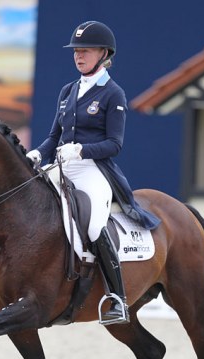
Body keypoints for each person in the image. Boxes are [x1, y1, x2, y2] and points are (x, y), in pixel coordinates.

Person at [27, 21, 160, 324]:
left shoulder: (113, 94)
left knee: (94, 226)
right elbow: (54, 136)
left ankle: (117, 298)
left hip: (92, 170)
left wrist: (82, 151)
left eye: (85, 51)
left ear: (103, 53)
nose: (79, 56)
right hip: (61, 165)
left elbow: (115, 144)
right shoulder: (68, 90)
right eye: (76, 51)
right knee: (29, 206)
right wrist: (37, 152)